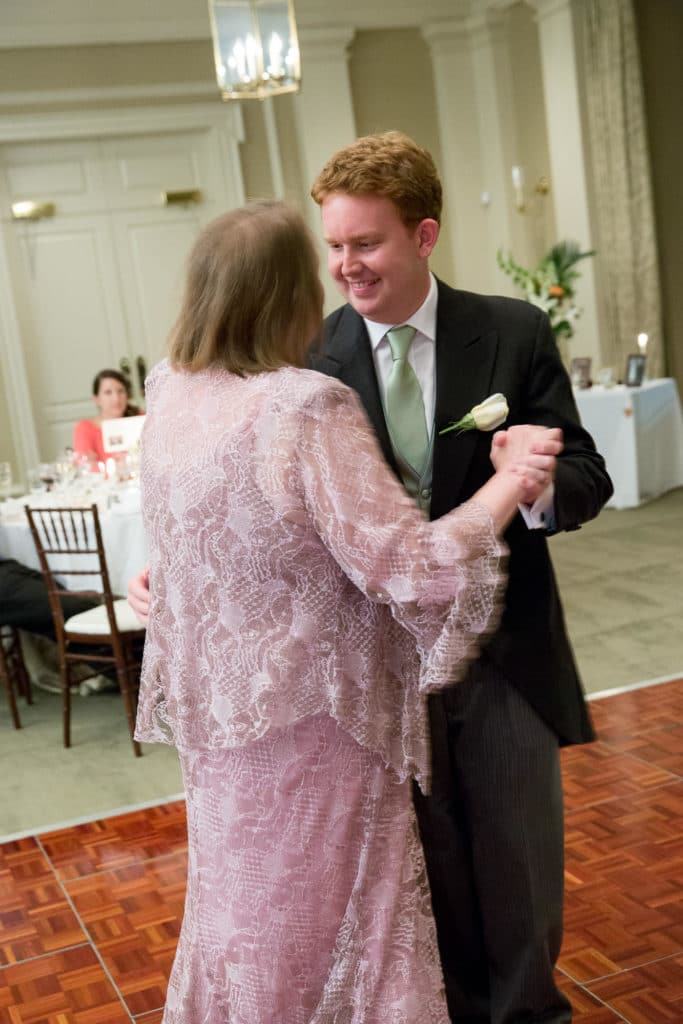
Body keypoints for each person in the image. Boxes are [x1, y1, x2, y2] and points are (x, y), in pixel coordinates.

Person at [129, 200, 563, 1023]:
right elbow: (409, 569)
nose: (339, 271)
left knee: (247, 920)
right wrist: (513, 478)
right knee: (339, 927)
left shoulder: (171, 387)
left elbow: (213, 519)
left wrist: (169, 582)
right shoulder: (302, 404)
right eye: (324, 255)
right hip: (319, 726)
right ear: (290, 291)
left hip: (227, 734)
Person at [307, 131, 613, 1022]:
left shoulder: (510, 330)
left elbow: (588, 475)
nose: (347, 267)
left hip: (503, 650)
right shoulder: (309, 357)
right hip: (381, 661)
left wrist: (541, 477)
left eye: (365, 243)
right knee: (425, 867)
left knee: (519, 860)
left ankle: (528, 1015)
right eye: (335, 245)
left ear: (424, 235)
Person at [73, 368, 141, 465]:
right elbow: (86, 467)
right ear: (97, 399)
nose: (116, 398)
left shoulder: (140, 419)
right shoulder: (85, 428)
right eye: (108, 392)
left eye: (120, 391)